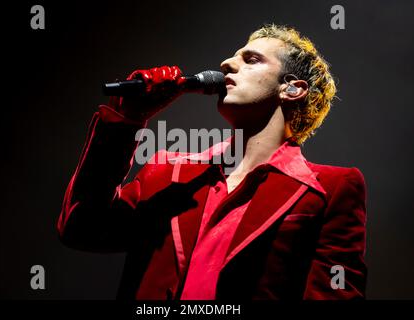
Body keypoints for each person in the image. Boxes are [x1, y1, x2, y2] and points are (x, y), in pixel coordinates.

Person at [57, 24, 367, 300]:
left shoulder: (331, 189)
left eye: (251, 60)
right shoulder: (168, 170)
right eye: (234, 57)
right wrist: (128, 119)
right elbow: (82, 228)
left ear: (292, 88)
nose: (226, 64)